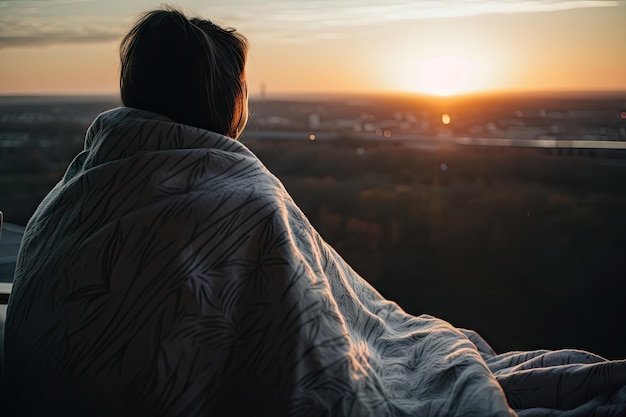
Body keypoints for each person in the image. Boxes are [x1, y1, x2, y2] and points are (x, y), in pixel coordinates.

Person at [4, 8, 626, 417]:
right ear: (224, 97)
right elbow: (309, 352)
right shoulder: (239, 197)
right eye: (244, 87)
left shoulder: (75, 189)